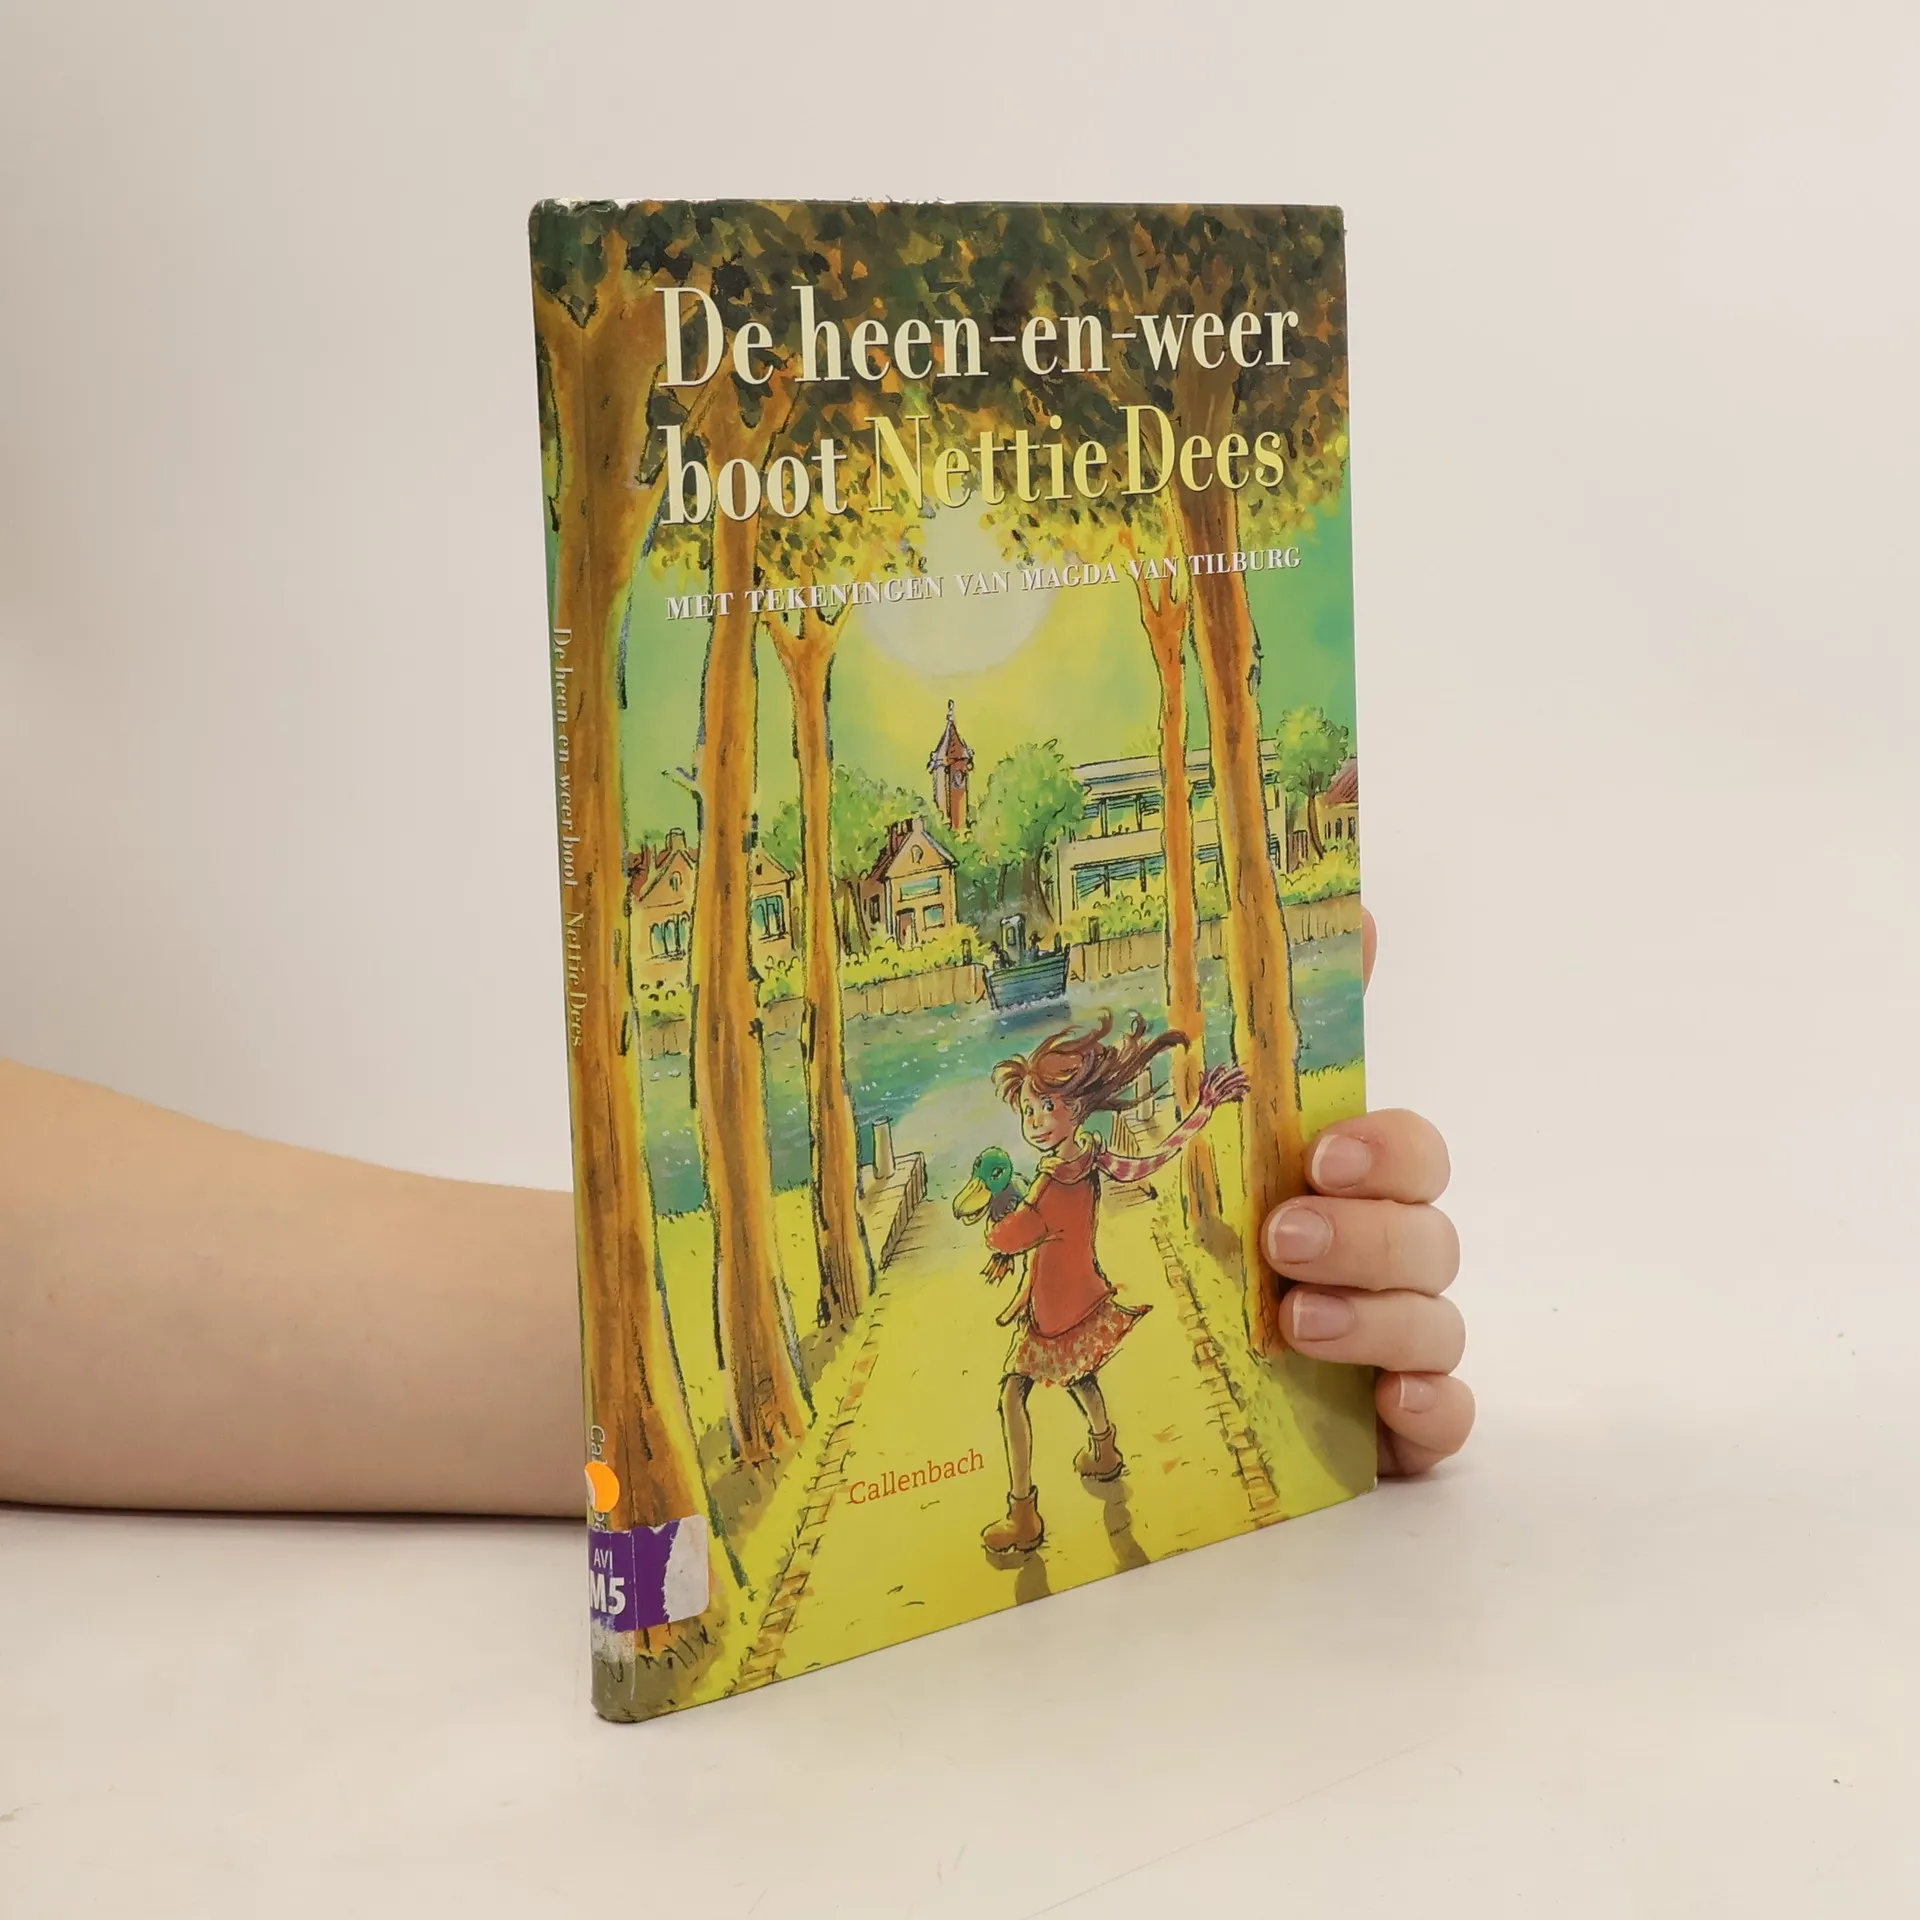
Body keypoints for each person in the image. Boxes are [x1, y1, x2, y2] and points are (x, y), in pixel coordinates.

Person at [0, 913, 1471, 1515]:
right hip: (1058, 1302)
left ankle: (1033, 1489)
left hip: (1050, 1299)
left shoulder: (1061, 1172)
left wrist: (1252, 1242)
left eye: (1039, 1112)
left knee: (1025, 1393)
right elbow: (1099, 1187)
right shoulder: (1071, 1167)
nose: (1033, 1124)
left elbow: (1060, 1208)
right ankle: (1066, 1467)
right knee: (1048, 1388)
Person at [972, 1013, 1247, 1554]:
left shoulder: (1049, 1184)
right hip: (1081, 1298)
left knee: (1012, 1394)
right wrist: (1203, 1110)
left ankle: (1023, 1513)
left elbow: (1011, 1235)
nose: (1035, 1122)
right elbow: (1151, 1161)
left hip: (1054, 1312)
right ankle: (1103, 1451)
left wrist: (993, 1217)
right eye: (1028, 1111)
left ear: (1075, 1109)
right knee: (1079, 1374)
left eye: (1046, 1108)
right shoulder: (1091, 1159)